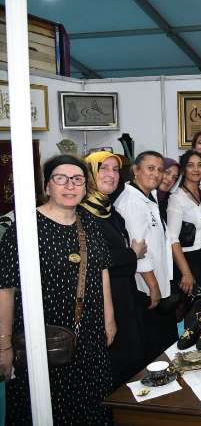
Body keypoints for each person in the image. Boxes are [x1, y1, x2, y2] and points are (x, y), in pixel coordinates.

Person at [0, 155, 115, 424]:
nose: (70, 185)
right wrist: (4, 344)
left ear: (85, 187)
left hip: (88, 334)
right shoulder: (26, 227)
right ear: (47, 186)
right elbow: (6, 288)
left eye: (77, 179)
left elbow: (102, 272)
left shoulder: (89, 224)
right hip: (42, 336)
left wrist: (109, 320)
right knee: (46, 406)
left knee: (90, 404)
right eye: (61, 178)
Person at [82, 151, 147, 389]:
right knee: (115, 360)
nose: (111, 174)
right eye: (103, 168)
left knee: (131, 357)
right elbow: (97, 258)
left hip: (124, 291)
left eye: (115, 169)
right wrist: (132, 254)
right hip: (104, 297)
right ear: (89, 173)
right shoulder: (82, 213)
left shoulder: (108, 209)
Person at [114, 151, 176, 362]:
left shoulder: (148, 196)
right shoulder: (132, 202)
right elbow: (138, 248)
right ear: (136, 170)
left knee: (164, 343)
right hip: (144, 286)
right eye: (150, 168)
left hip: (155, 281)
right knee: (153, 347)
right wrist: (153, 286)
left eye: (160, 170)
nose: (156, 174)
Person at [167, 150, 201, 295]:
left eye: (200, 165)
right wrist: (186, 273)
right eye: (190, 165)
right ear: (183, 170)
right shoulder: (176, 198)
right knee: (196, 305)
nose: (196, 169)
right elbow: (172, 239)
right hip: (190, 258)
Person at [157, 157, 179, 222]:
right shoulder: (143, 198)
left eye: (174, 177)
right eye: (167, 172)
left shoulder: (172, 201)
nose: (170, 179)